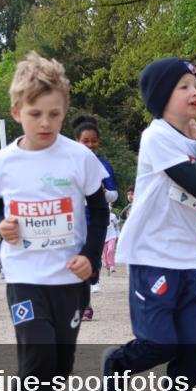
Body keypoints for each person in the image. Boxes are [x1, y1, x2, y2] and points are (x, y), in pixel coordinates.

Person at [0, 52, 109, 391]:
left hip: (69, 277)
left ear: (64, 111)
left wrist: (90, 255)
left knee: (60, 362)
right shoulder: (2, 162)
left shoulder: (79, 158)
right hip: (24, 275)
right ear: (17, 112)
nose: (45, 123)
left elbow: (98, 208)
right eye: (35, 114)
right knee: (37, 351)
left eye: (55, 113)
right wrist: (2, 225)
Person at [102, 56, 196, 391]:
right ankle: (118, 363)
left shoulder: (190, 141)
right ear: (161, 97)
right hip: (153, 254)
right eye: (183, 86)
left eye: (195, 85)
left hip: (189, 258)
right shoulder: (158, 136)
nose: (194, 92)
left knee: (194, 347)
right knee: (162, 343)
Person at [73, 115, 118, 304]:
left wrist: (102, 192)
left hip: (97, 220)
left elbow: (114, 195)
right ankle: (85, 305)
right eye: (85, 141)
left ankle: (94, 276)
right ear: (76, 141)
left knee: (92, 260)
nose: (90, 145)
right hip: (75, 221)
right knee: (79, 261)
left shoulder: (103, 165)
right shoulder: (69, 163)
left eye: (94, 141)